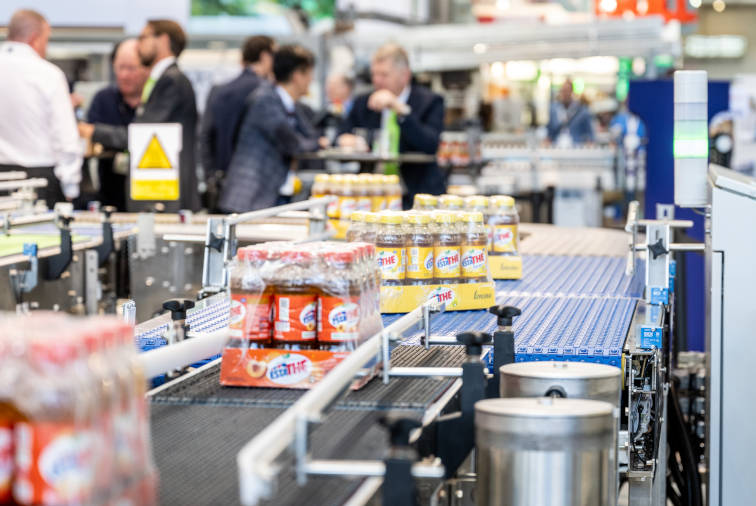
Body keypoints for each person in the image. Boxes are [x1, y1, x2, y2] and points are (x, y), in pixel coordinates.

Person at [79, 19, 200, 211]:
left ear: (163, 40)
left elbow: (139, 136)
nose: (139, 44)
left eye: (143, 37)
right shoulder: (165, 80)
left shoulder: (171, 81)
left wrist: (91, 131)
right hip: (160, 194)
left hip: (167, 196)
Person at [337, 43, 446, 208]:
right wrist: (345, 140)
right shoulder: (363, 102)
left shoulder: (430, 101)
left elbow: (430, 144)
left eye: (384, 74)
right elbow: (339, 136)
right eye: (374, 74)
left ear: (405, 75)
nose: (377, 80)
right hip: (372, 196)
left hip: (417, 195)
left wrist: (399, 110)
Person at [219, 45, 325, 213]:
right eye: (309, 74)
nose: (311, 80)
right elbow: (294, 144)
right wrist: (319, 142)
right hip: (250, 200)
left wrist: (319, 140)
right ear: (298, 76)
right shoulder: (265, 100)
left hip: (271, 197)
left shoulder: (290, 104)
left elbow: (311, 134)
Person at [0, 9, 82, 207]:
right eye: (47, 40)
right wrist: (71, 187)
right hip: (40, 182)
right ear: (35, 38)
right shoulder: (49, 74)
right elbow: (66, 140)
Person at [200, 35, 275, 210]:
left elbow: (205, 137)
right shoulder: (266, 93)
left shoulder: (219, 91)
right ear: (265, 57)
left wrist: (210, 176)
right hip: (257, 190)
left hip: (221, 188)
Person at [87, 38, 149, 210]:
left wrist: (99, 133)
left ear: (146, 69)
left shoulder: (156, 101)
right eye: (120, 68)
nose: (124, 75)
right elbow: (88, 141)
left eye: (131, 68)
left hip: (148, 195)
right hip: (110, 196)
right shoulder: (103, 99)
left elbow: (144, 138)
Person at [547, 79, 595, 146]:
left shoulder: (582, 110)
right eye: (563, 91)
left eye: (567, 91)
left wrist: (589, 142)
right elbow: (550, 131)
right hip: (557, 145)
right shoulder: (553, 109)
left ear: (572, 92)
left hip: (576, 146)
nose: (565, 94)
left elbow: (589, 132)